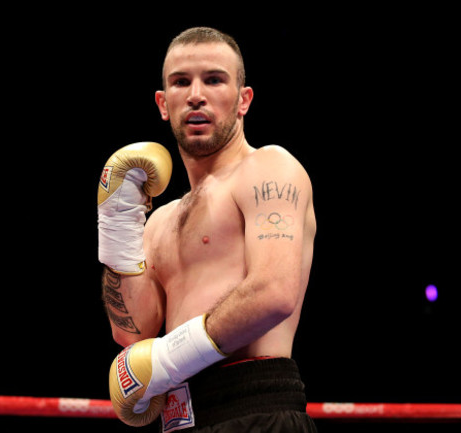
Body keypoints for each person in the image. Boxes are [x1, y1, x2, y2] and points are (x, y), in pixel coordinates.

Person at [99, 27, 317, 432]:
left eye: (214, 79)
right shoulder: (160, 221)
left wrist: (168, 359)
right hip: (182, 419)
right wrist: (116, 223)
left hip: (256, 406)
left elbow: (274, 293)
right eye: (181, 81)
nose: (196, 94)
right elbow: (132, 334)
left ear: (243, 99)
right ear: (163, 104)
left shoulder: (269, 168)